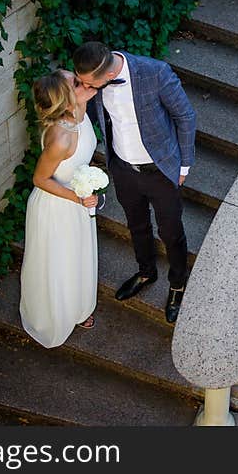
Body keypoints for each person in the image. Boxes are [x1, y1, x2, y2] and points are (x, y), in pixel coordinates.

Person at [72, 41, 196, 323]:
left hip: (161, 170)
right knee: (137, 225)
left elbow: (185, 116)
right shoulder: (94, 82)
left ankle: (177, 284)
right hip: (123, 170)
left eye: (89, 83)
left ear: (106, 76)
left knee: (171, 231)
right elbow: (93, 116)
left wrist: (184, 164)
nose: (84, 87)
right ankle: (146, 271)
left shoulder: (155, 72)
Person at [19, 69, 100, 347]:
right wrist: (78, 197)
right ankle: (55, 316)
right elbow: (40, 179)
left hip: (74, 201)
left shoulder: (78, 111)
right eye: (76, 83)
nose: (83, 83)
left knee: (77, 257)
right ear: (66, 101)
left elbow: (89, 91)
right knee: (60, 263)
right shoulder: (61, 139)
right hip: (56, 206)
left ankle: (78, 308)